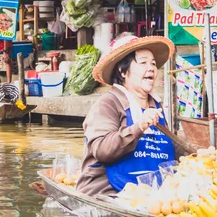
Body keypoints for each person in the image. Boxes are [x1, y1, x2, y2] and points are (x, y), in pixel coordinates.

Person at [76, 33, 181, 196]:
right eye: (143, 62)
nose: (151, 68)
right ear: (123, 71)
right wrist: (138, 127)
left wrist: (199, 154)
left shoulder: (156, 106)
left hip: (150, 195)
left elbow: (169, 149)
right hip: (108, 194)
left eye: (153, 63)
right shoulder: (108, 104)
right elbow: (102, 150)